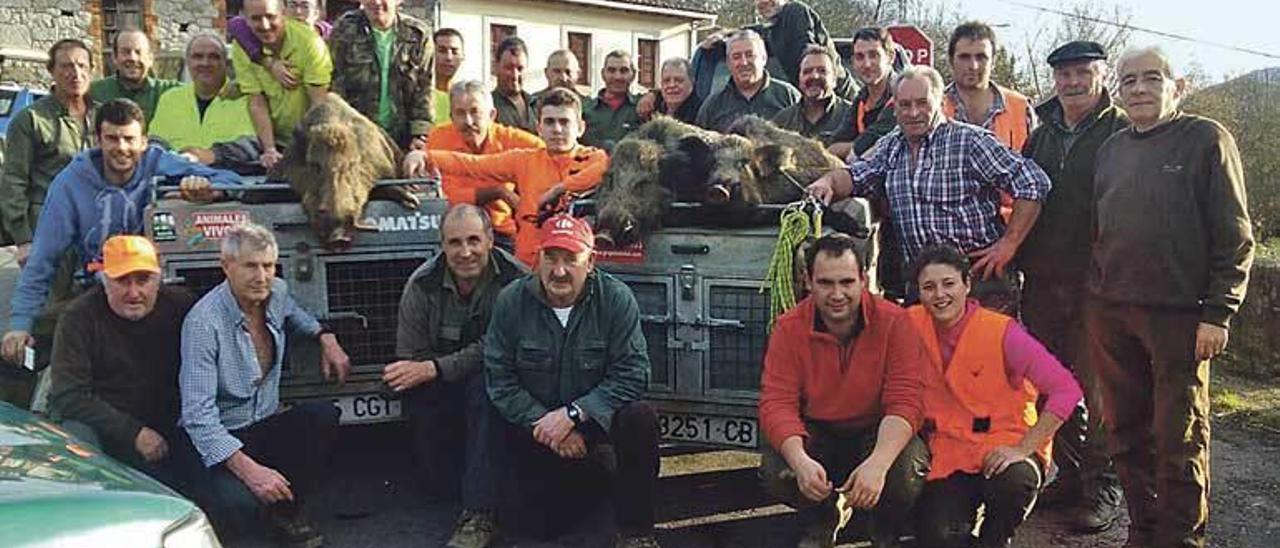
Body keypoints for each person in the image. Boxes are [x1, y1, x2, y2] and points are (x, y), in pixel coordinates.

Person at [1086, 46, 1254, 548]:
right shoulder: (1112, 149)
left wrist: (1219, 312)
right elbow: (1101, 227)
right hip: (1112, 312)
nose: (1139, 89)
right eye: (1129, 80)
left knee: (1179, 437)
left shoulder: (1206, 140)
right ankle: (1142, 531)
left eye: (1151, 78)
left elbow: (1236, 236)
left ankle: (1180, 540)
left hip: (1179, 318)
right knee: (1126, 433)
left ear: (1176, 86)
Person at [0, 99, 239, 387]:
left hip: (160, 289)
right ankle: (45, 416)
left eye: (129, 139)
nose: (122, 147)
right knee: (23, 347)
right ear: (97, 140)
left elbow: (233, 182)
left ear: (144, 142)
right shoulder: (70, 183)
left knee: (199, 327)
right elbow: (42, 260)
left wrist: (206, 192)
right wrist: (19, 325)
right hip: (99, 289)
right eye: (112, 138)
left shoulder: (161, 162)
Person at [805, 66, 1050, 312]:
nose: (913, 113)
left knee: (983, 350)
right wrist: (828, 182)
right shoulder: (891, 146)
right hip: (923, 281)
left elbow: (1032, 182)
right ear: (895, 107)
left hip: (979, 278)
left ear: (941, 101)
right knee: (923, 350)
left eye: (922, 103)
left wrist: (1009, 243)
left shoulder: (971, 141)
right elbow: (856, 175)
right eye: (905, 105)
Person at [483, 213, 660, 548]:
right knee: (541, 529)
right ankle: (492, 508)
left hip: (594, 421)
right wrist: (546, 425)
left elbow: (634, 372)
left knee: (640, 416)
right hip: (538, 424)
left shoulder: (616, 299)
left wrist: (575, 414)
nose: (559, 271)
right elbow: (500, 378)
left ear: (590, 261)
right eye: (551, 258)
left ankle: (637, 532)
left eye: (571, 259)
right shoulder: (511, 301)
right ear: (538, 258)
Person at [179, 222, 351, 544]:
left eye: (268, 265)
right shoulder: (203, 323)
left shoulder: (277, 292)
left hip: (263, 422)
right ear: (226, 266)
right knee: (241, 510)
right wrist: (250, 472)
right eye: (250, 266)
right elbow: (197, 417)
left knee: (321, 416)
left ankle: (287, 514)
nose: (261, 276)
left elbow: (296, 314)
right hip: (220, 439)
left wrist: (326, 337)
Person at [1018, 40, 1129, 533]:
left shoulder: (1122, 132)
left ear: (1101, 75)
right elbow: (1026, 200)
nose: (1073, 82)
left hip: (1098, 286)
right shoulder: (1040, 136)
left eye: (1083, 72)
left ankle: (1102, 487)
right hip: (1043, 281)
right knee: (1051, 385)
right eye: (1064, 74)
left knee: (1098, 391)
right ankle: (1069, 474)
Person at [757, 233, 930, 548]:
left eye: (847, 282)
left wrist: (878, 463)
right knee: (775, 468)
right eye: (825, 283)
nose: (837, 294)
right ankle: (822, 517)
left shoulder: (896, 322)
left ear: (863, 279)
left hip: (874, 431)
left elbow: (907, 401)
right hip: (819, 432)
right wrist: (800, 461)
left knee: (905, 468)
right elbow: (776, 403)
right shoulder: (788, 328)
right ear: (807, 281)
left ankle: (884, 523)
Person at [905, 244, 1082, 548]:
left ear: (967, 285)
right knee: (938, 538)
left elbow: (1066, 390)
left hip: (1006, 443)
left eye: (949, 284)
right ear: (918, 292)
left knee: (1014, 482)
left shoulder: (1002, 332)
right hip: (949, 452)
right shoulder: (909, 324)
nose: (940, 295)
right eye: (929, 287)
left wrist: (1024, 448)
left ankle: (997, 539)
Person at [388, 204, 527, 548]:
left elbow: (499, 349)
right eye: (454, 243)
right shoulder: (421, 284)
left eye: (474, 240)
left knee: (484, 390)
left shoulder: (516, 280)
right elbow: (411, 355)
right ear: (442, 245)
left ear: (491, 240)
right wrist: (428, 371)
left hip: (501, 383)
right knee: (436, 483)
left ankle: (479, 514)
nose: (465, 252)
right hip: (443, 387)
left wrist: (436, 367)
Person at [48, 235, 199, 491]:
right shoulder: (78, 317)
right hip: (106, 428)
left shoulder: (182, 305)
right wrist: (133, 433)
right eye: (122, 281)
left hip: (173, 425)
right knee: (76, 437)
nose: (134, 293)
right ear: (104, 280)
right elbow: (68, 395)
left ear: (158, 280)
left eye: (143, 280)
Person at [404, 88, 609, 266]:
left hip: (573, 264)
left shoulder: (592, 157)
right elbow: (472, 165)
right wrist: (426, 156)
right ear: (539, 128)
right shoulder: (523, 160)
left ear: (580, 127)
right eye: (550, 122)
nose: (557, 129)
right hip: (529, 265)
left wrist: (559, 189)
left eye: (564, 122)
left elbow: (602, 169)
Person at [0, 39, 97, 406]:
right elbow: (13, 183)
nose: (75, 73)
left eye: (82, 66)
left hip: (92, 231)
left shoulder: (99, 115)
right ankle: (38, 393)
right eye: (66, 66)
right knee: (52, 316)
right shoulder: (32, 119)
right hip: (49, 230)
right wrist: (23, 238)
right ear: (51, 72)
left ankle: (82, 385)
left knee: (90, 308)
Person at [426, 80, 544, 251]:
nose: (468, 121)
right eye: (460, 113)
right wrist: (497, 192)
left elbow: (550, 155)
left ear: (492, 115)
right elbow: (443, 199)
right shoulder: (438, 139)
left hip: (499, 232)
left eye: (475, 112)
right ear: (451, 117)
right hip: (453, 232)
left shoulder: (511, 139)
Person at [232, 0, 333, 169]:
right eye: (256, 19)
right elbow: (257, 102)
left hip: (310, 138)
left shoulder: (310, 42)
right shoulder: (241, 47)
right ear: (245, 19)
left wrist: (310, 149)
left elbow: (318, 103)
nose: (264, 25)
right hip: (273, 139)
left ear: (283, 13)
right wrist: (270, 149)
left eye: (271, 17)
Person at [330, 0, 435, 149]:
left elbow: (424, 90)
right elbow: (335, 84)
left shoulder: (418, 35)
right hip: (356, 135)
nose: (377, 2)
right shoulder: (345, 29)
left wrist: (420, 136)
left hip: (402, 137)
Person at [149, 34, 257, 161]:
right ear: (188, 62)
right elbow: (155, 142)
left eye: (214, 57)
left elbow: (253, 145)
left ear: (225, 63)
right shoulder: (170, 99)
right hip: (175, 176)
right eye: (198, 57)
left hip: (231, 178)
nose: (205, 63)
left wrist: (213, 155)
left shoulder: (246, 98)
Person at [942, 22, 1034, 152]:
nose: (973, 66)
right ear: (951, 60)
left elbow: (1034, 165)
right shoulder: (932, 107)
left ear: (993, 62)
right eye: (964, 57)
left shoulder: (1021, 108)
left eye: (981, 57)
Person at [696, 29, 800, 132]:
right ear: (728, 63)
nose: (744, 63)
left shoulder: (789, 96)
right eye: (736, 57)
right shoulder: (712, 106)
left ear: (764, 58)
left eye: (750, 55)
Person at [753, 0, 855, 100]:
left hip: (838, 94)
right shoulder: (773, 29)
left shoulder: (795, 11)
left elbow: (807, 57)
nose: (764, 1)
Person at [225, 0, 333, 95]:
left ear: (317, 12)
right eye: (292, 5)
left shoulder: (331, 36)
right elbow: (235, 24)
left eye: (305, 6)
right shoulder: (265, 33)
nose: (298, 11)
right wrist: (267, 62)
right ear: (283, 10)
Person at [828, 27, 899, 159]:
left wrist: (855, 146)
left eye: (873, 55)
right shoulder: (861, 98)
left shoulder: (903, 94)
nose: (866, 64)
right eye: (859, 57)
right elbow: (834, 145)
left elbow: (873, 140)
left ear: (890, 57)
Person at [88, 29, 181, 123]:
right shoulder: (95, 92)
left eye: (138, 52)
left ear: (150, 59)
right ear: (114, 58)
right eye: (126, 52)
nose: (132, 58)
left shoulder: (169, 91)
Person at [770, 45, 855, 146]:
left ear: (834, 80)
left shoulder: (852, 115)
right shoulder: (783, 121)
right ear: (799, 80)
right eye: (807, 71)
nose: (814, 76)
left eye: (822, 71)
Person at [581, 50, 643, 151]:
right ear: (602, 74)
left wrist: (653, 94)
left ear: (634, 74)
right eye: (611, 70)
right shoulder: (585, 109)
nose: (617, 77)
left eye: (624, 71)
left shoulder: (643, 107)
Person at [491, 36, 537, 134]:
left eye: (520, 69)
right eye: (509, 68)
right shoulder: (487, 106)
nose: (515, 75)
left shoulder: (538, 104)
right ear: (495, 67)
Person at [643, 57, 702, 124]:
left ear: (692, 82)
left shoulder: (701, 113)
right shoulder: (651, 106)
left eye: (678, 80)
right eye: (666, 80)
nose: (672, 85)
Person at [432, 28, 466, 126]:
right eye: (442, 51)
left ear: (463, 56)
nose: (449, 57)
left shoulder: (466, 97)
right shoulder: (419, 96)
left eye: (455, 52)